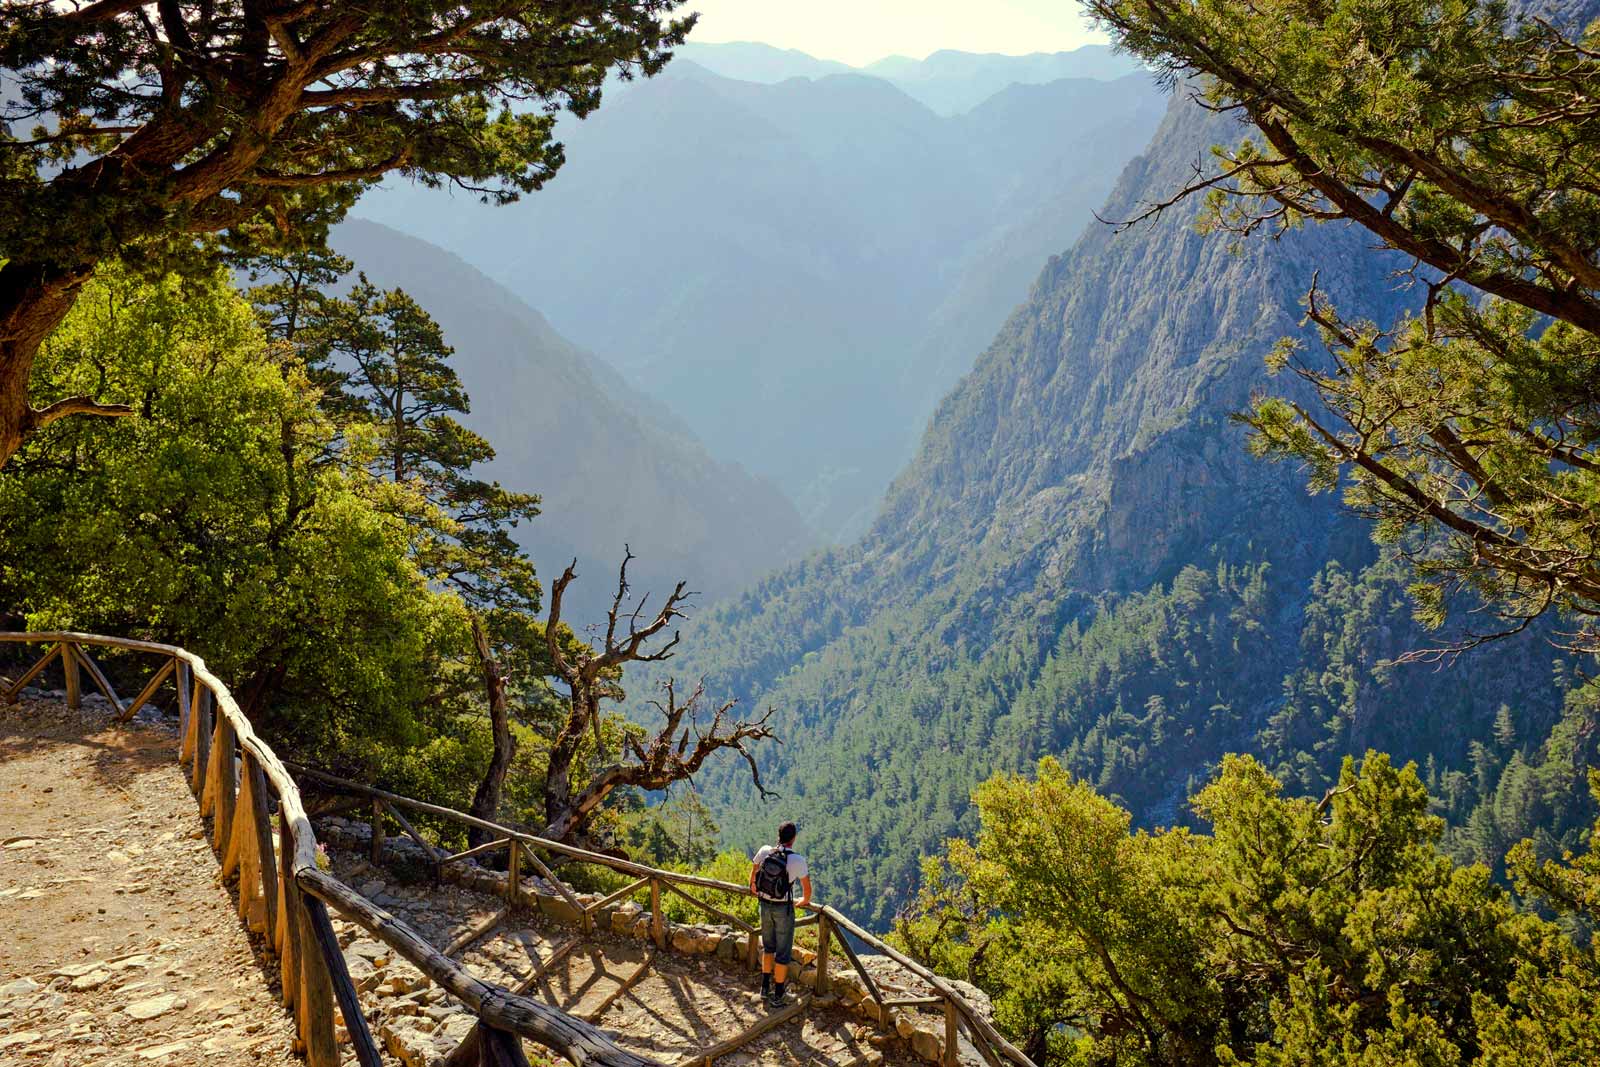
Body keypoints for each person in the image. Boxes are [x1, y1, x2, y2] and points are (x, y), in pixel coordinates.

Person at [749, 820, 811, 1007]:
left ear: (778, 835)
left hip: (764, 906)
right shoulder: (797, 860)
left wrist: (753, 887)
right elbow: (807, 892)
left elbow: (753, 875)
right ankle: (778, 994)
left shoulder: (765, 851)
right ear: (793, 838)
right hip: (783, 909)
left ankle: (764, 988)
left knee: (769, 948)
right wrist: (801, 902)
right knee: (782, 953)